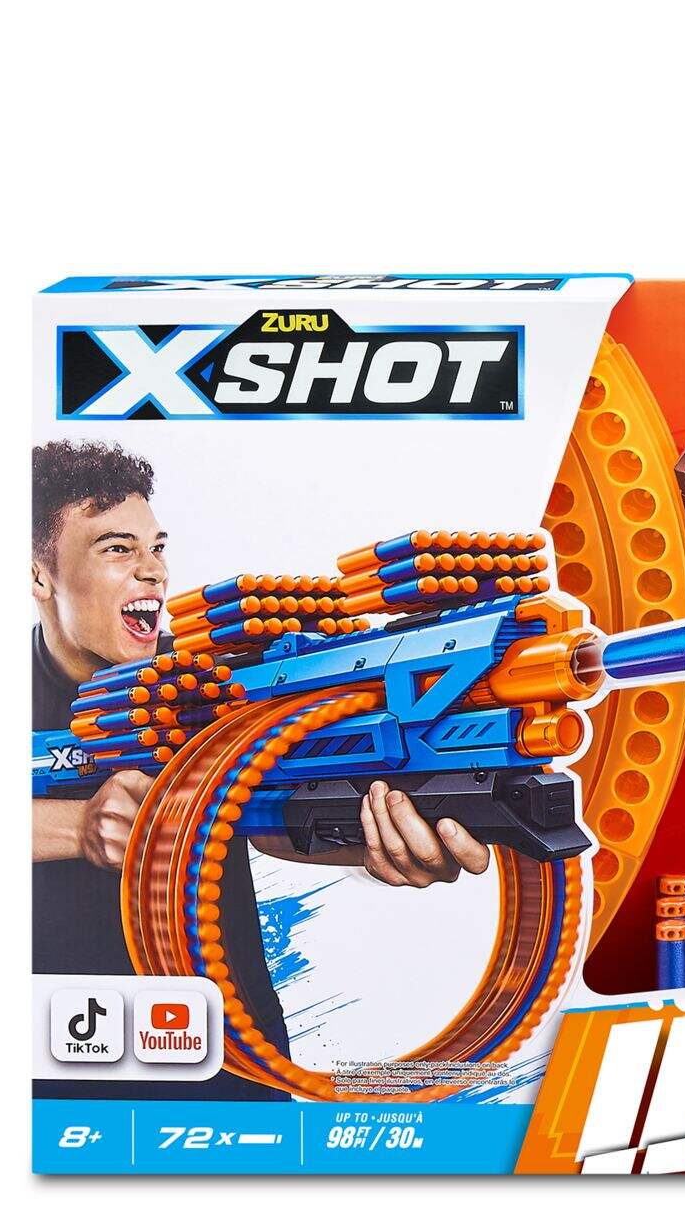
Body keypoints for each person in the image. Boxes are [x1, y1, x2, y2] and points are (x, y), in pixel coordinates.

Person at [32, 440, 491, 1090]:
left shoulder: (213, 683)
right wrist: (78, 827)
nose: (153, 571)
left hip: (226, 1061)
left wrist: (371, 836)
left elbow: (269, 811)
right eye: (117, 549)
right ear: (39, 577)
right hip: (52, 1063)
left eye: (156, 548)